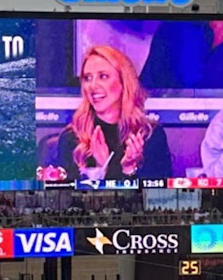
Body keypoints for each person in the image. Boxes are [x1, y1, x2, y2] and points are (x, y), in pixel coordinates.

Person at [55, 45, 172, 180]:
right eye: (87, 78)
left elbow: (160, 197)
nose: (93, 86)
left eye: (103, 76)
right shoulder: (72, 138)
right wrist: (100, 169)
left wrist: (128, 170)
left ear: (123, 83)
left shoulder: (149, 136)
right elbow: (67, 197)